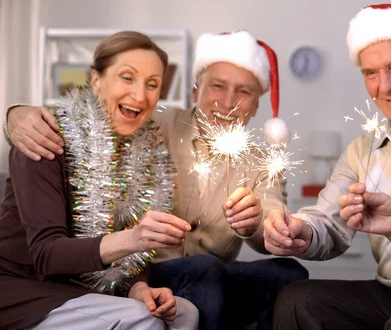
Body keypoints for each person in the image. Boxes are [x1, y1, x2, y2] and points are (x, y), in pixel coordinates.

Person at [4, 30, 307, 330]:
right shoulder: (150, 125)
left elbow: (272, 216)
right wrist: (14, 116)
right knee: (205, 271)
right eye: (217, 86)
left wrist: (257, 224)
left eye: (243, 92)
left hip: (172, 273)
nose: (228, 102)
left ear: (256, 105)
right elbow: (95, 118)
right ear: (194, 92)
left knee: (287, 274)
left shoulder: (261, 162)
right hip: (150, 267)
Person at [263, 1, 391, 330]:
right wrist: (300, 230)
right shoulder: (362, 150)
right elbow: (326, 224)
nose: (384, 86)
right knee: (296, 299)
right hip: (389, 291)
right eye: (371, 73)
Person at [0, 31, 199, 330]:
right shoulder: (44, 138)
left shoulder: (144, 155)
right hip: (21, 286)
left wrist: (139, 289)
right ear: (96, 79)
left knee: (185, 313)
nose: (140, 95)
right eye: (127, 77)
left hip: (80, 289)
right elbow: (47, 255)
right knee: (143, 320)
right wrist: (133, 238)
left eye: (152, 84)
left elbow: (130, 260)